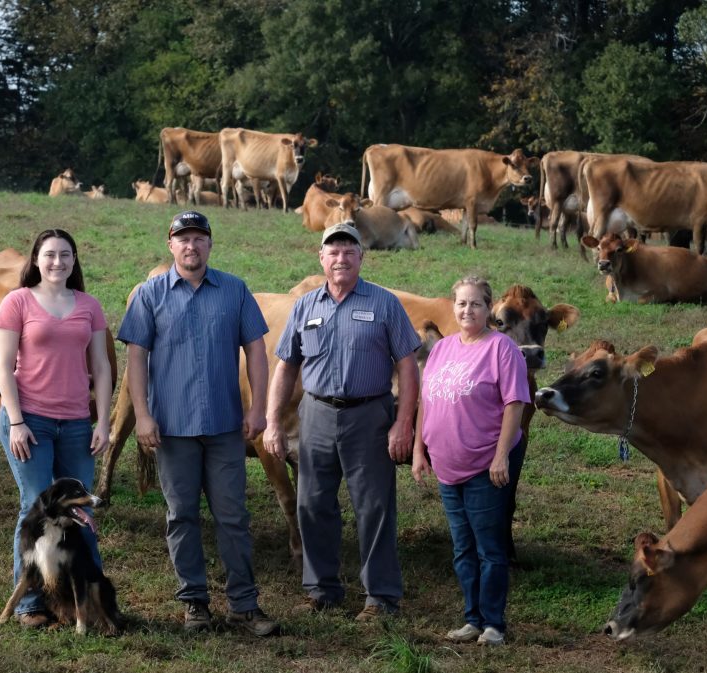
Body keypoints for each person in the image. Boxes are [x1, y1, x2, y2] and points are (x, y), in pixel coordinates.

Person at [117, 210, 278, 637]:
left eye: (198, 238)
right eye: (182, 239)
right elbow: (136, 358)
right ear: (170, 245)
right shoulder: (150, 295)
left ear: (209, 244)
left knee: (233, 516)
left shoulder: (234, 290)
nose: (191, 246)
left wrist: (258, 407)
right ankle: (194, 604)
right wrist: (144, 414)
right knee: (181, 516)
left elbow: (256, 352)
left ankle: (243, 606)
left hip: (225, 426)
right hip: (171, 429)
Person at [263, 223, 420, 621]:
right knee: (313, 503)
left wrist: (403, 423)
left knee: (374, 507)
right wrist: (273, 421)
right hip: (315, 414)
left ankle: (380, 597)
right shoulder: (305, 306)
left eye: (349, 250)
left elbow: (407, 366)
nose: (341, 258)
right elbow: (285, 367)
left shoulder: (384, 303)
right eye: (333, 251)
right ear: (321, 258)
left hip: (369, 414)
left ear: (361, 258)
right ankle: (322, 590)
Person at [0, 228, 113, 628]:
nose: (57, 262)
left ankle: (93, 606)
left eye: (65, 255)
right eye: (49, 255)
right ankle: (31, 605)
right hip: (30, 420)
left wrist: (105, 421)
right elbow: (3, 368)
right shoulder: (17, 302)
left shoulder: (89, 306)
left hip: (78, 423)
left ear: (75, 261)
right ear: (36, 260)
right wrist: (16, 421)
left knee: (81, 514)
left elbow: (101, 367)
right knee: (34, 505)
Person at [411, 276, 529, 646]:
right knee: (462, 548)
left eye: (475, 304)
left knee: (489, 549)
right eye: (461, 303)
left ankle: (493, 623)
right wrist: (419, 450)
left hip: (484, 465)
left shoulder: (502, 349)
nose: (467, 310)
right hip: (447, 466)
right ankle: (472, 619)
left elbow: (515, 404)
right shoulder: (443, 349)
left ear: (488, 309)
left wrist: (500, 456)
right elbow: (425, 403)